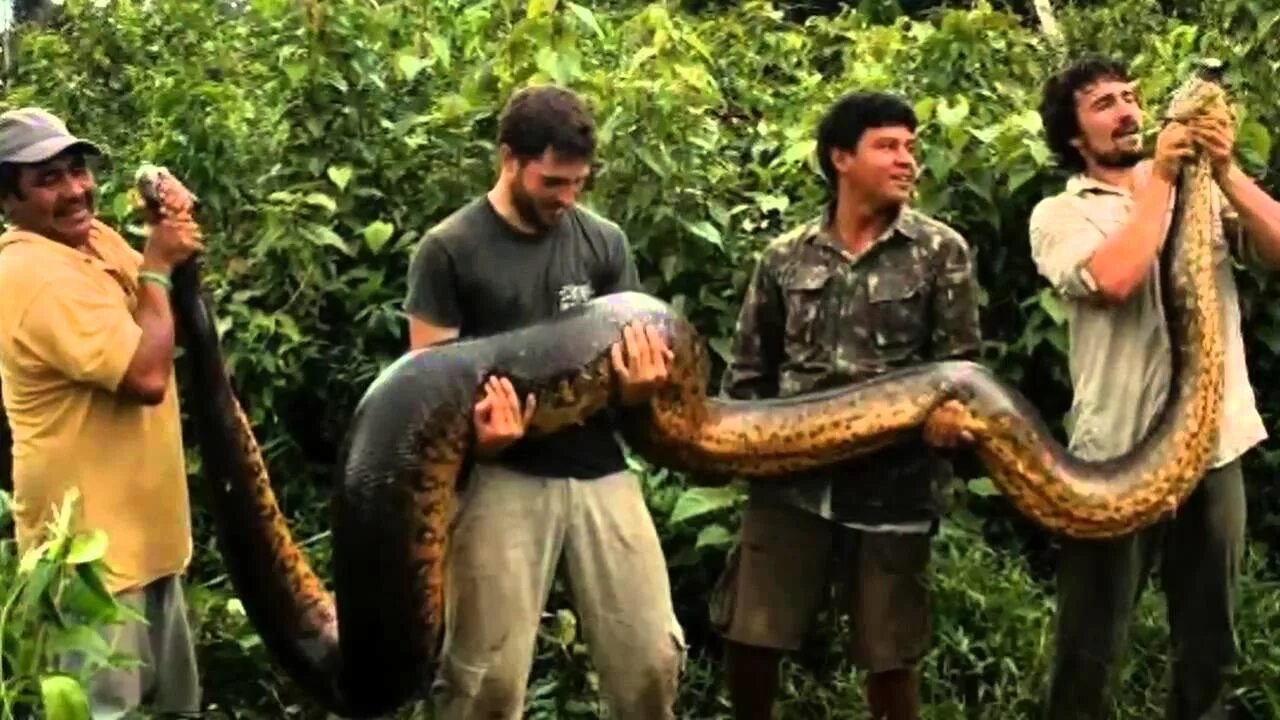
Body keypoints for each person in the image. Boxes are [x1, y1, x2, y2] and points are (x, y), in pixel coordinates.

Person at [403, 84, 686, 719]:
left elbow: (632, 355)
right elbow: (427, 391)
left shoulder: (604, 242)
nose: (568, 199)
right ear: (509, 158)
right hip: (501, 474)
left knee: (652, 661)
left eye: (578, 183)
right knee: (487, 683)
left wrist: (640, 392)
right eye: (554, 182)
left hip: (598, 468)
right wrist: (483, 439)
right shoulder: (448, 249)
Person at [709, 90, 983, 720]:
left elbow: (963, 370)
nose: (906, 160)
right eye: (887, 146)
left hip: (894, 489)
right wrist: (737, 452)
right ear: (840, 158)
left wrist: (952, 424)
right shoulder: (784, 257)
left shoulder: (942, 252)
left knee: (890, 659)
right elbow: (749, 376)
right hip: (790, 485)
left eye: (911, 147)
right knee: (751, 638)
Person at [1029, 54, 1280, 719]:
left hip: (1214, 443)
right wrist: (1163, 179)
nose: (1126, 110)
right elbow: (1114, 280)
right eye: (1103, 103)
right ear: (1075, 136)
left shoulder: (1204, 190)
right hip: (1117, 453)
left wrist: (1224, 170)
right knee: (1090, 644)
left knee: (1209, 640)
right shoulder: (1059, 212)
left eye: (1131, 96)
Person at [0, 108, 203, 716]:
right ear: (7, 198)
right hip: (89, 569)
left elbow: (158, 304)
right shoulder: (26, 275)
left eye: (77, 169)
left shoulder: (89, 241)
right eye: (48, 179)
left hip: (153, 547)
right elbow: (145, 373)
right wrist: (160, 264)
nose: (75, 190)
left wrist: (171, 230)